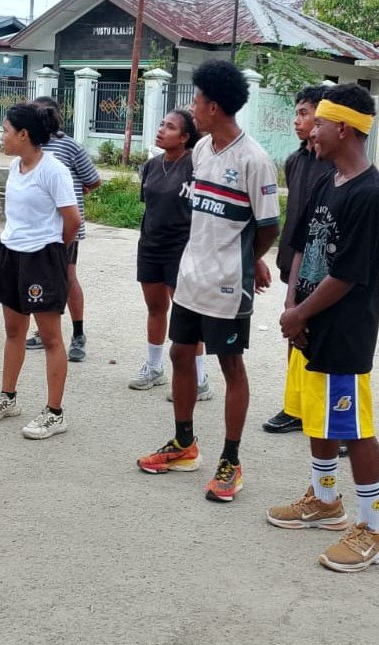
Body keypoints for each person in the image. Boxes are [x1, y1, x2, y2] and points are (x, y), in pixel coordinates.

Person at [264, 84, 379, 572]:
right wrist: (292, 302)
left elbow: (348, 275)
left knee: (352, 427)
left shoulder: (371, 194)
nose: (310, 130)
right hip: (309, 320)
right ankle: (325, 500)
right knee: (317, 415)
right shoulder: (327, 179)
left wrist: (302, 314)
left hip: (343, 329)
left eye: (318, 122)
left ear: (342, 127)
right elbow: (301, 246)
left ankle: (375, 528)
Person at [136, 58, 279, 503]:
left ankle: (231, 461)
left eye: (196, 100)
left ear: (214, 106)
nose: (191, 108)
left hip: (226, 285)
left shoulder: (255, 160)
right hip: (191, 276)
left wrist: (247, 260)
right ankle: (184, 444)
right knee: (181, 353)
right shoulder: (200, 151)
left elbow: (269, 225)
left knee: (230, 366)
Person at [0, 102, 80, 439]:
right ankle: (8, 398)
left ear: (24, 134)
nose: (1, 136)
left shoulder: (54, 170)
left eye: (5, 130)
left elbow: (73, 222)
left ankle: (54, 413)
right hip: (11, 254)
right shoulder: (18, 167)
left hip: (42, 258)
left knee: (50, 338)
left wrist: (53, 254)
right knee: (13, 331)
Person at [263, 84, 333, 434]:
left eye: (305, 113)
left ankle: (328, 416)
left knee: (324, 341)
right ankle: (296, 406)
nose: (297, 120)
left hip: (327, 268)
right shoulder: (294, 162)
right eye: (297, 113)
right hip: (295, 261)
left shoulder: (335, 165)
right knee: (295, 330)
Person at [128, 108, 211, 400]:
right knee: (155, 308)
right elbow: (149, 207)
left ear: (186, 137)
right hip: (150, 246)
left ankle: (199, 379)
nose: (161, 129)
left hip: (183, 248)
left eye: (171, 127)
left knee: (187, 315)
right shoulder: (151, 166)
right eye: (161, 123)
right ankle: (154, 368)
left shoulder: (196, 164)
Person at [24, 95, 100, 362]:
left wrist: (73, 196)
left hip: (65, 229)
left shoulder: (69, 147)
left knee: (67, 277)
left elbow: (93, 180)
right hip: (37, 230)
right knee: (40, 280)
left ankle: (78, 335)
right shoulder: (31, 148)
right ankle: (44, 331)